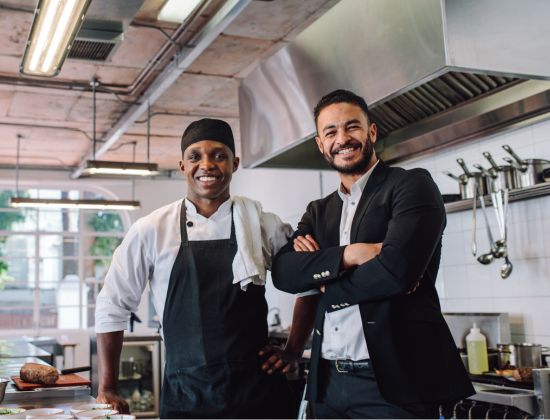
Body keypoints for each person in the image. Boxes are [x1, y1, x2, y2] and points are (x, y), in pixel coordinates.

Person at [271, 89, 475, 418]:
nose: (343, 139)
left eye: (352, 127)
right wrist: (350, 255)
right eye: (331, 132)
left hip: (394, 386)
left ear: (372, 132)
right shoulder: (318, 211)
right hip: (327, 383)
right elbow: (284, 273)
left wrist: (324, 284)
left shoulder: (410, 186)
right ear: (321, 145)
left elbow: (396, 271)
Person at [95, 118, 295, 418]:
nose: (207, 164)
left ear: (235, 163)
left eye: (219, 155)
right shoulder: (151, 229)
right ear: (182, 165)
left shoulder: (264, 224)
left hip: (256, 395)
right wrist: (108, 386)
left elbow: (308, 282)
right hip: (185, 395)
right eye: (195, 156)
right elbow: (112, 305)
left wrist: (293, 349)